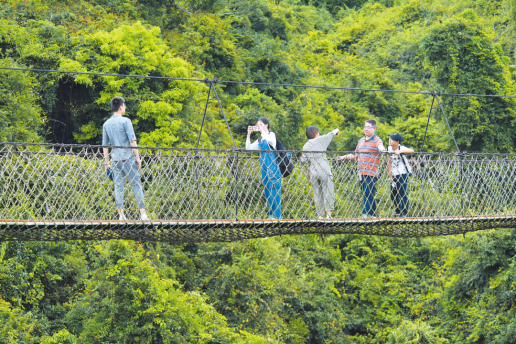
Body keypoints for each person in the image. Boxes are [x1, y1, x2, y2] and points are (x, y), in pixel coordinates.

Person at [102, 96, 149, 221]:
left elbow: (105, 146)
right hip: (127, 158)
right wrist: (138, 158)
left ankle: (121, 215)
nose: (125, 108)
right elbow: (132, 141)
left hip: (115, 160)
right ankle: (143, 214)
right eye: (125, 106)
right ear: (121, 107)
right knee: (136, 184)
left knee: (118, 186)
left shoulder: (106, 124)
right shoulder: (126, 121)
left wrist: (107, 164)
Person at [338, 120, 386, 218]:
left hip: (371, 172)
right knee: (367, 193)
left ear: (374, 128)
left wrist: (384, 151)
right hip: (361, 172)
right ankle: (373, 214)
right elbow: (355, 155)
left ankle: (365, 213)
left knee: (368, 192)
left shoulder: (377, 140)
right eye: (365, 127)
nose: (366, 129)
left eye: (368, 127)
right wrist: (344, 157)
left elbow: (380, 147)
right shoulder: (360, 140)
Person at [246, 117, 281, 219]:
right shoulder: (259, 139)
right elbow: (248, 148)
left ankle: (277, 216)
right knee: (267, 190)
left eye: (261, 124)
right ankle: (271, 214)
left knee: (274, 188)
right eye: (257, 125)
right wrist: (248, 135)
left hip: (273, 166)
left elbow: (268, 139)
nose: (259, 127)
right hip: (264, 167)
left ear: (266, 125)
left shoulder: (271, 135)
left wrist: (262, 131)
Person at [301, 126, 340, 219]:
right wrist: (337, 131)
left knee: (317, 194)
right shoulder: (320, 140)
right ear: (316, 133)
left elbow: (303, 161)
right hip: (324, 170)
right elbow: (332, 133)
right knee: (328, 191)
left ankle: (319, 215)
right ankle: (328, 215)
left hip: (313, 172)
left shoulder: (305, 146)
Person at [387, 133, 414, 217]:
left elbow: (412, 151)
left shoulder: (401, 148)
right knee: (393, 194)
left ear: (397, 142)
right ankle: (398, 211)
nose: (390, 140)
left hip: (402, 174)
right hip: (394, 174)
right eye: (390, 138)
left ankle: (404, 212)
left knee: (402, 193)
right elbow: (388, 163)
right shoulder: (388, 148)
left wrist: (400, 151)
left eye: (392, 139)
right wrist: (390, 176)